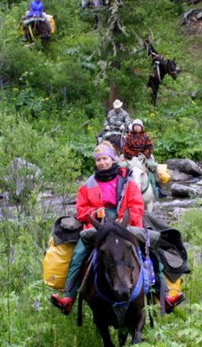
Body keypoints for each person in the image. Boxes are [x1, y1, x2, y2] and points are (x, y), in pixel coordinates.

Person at [50, 143, 145, 314]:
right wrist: (94, 213)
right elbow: (81, 209)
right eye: (99, 160)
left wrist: (123, 220)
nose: (102, 162)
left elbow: (137, 205)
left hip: (124, 225)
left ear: (113, 159)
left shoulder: (128, 181)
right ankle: (69, 296)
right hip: (98, 227)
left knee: (150, 246)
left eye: (105, 158)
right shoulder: (88, 184)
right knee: (79, 253)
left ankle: (164, 294)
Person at [123, 119, 166, 199]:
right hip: (131, 157)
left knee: (153, 167)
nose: (137, 127)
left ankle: (157, 189)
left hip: (144, 157)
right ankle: (122, 191)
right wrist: (132, 155)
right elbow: (125, 147)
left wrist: (144, 155)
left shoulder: (146, 136)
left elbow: (150, 147)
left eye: (138, 126)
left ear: (141, 127)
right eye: (135, 126)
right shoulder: (129, 136)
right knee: (121, 166)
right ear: (133, 127)